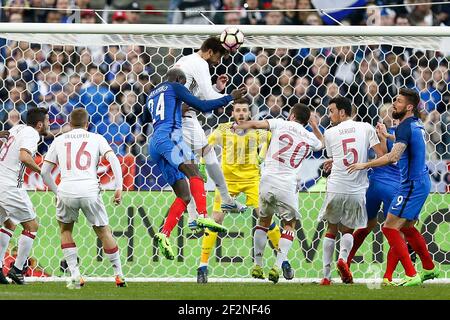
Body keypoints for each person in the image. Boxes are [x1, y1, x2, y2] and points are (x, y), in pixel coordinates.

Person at [147, 68, 246, 260]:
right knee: (196, 172)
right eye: (184, 84)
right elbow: (202, 106)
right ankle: (202, 215)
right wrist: (229, 97)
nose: (184, 89)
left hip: (155, 143)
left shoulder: (152, 94)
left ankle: (164, 234)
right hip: (170, 137)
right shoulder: (175, 86)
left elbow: (171, 110)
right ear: (179, 79)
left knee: (183, 195)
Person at [348, 88, 439, 287]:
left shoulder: (405, 127)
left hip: (411, 184)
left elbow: (393, 157)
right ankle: (430, 268)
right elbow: (406, 142)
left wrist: (364, 165)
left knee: (389, 227)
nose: (393, 105)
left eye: (397, 101)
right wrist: (387, 136)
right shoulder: (414, 125)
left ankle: (411, 273)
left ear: (409, 107)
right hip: (419, 182)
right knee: (407, 227)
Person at [234, 103, 324, 284]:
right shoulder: (309, 137)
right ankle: (277, 265)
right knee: (289, 224)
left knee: (263, 222)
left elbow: (257, 124)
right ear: (306, 121)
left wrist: (240, 125)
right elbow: (322, 144)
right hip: (287, 183)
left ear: (291, 115)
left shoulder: (280, 123)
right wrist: (314, 126)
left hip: (267, 179)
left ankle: (257, 265)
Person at [196, 98, 282, 283]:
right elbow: (207, 146)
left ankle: (283, 261)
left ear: (249, 113)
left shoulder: (257, 131)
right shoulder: (224, 129)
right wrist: (202, 165)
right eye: (238, 110)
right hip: (227, 181)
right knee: (216, 219)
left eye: (244, 110)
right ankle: (202, 266)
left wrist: (261, 156)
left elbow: (270, 139)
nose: (241, 113)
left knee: (265, 217)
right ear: (233, 113)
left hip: (252, 180)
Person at [41, 108, 127, 289]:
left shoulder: (59, 140)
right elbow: (114, 161)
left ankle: (75, 275)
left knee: (65, 231)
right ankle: (119, 275)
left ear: (69, 124)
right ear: (87, 124)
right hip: (89, 189)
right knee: (104, 232)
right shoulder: (96, 138)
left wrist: (57, 192)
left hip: (67, 190)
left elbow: (44, 172)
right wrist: (118, 188)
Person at [174, 36, 247, 230]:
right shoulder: (200, 63)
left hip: (177, 117)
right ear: (209, 51)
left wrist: (217, 88)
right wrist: (228, 96)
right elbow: (207, 100)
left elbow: (197, 97)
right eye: (218, 56)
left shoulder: (185, 62)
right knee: (206, 154)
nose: (218, 61)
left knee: (189, 164)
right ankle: (225, 198)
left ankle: (192, 216)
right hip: (184, 118)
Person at [319, 97, 385, 285]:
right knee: (348, 228)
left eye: (331, 111)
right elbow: (380, 155)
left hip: (336, 187)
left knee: (331, 228)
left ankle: (325, 276)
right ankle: (343, 258)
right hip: (356, 189)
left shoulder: (330, 132)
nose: (329, 115)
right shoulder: (366, 127)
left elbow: (338, 156)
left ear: (342, 112)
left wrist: (333, 161)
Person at [345, 104, 401, 285]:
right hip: (395, 185)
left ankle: (345, 261)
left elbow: (380, 155)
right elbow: (388, 157)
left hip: (374, 184)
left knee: (366, 225)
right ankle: (388, 276)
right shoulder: (404, 133)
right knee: (396, 230)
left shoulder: (377, 133)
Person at [0, 108, 49, 285]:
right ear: (40, 124)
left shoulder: (17, 128)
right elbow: (23, 156)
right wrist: (42, 172)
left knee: (8, 223)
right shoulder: (31, 133)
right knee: (32, 225)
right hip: (11, 185)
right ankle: (18, 269)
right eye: (48, 121)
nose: (49, 124)